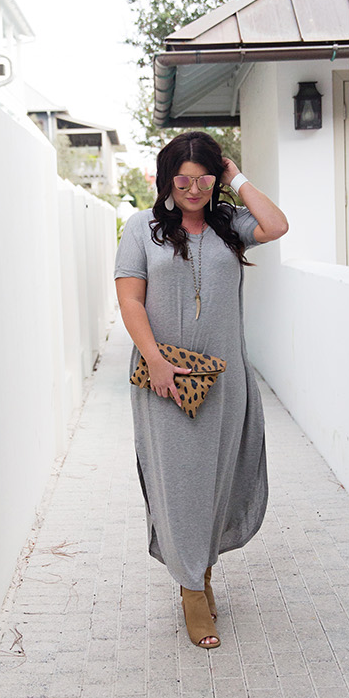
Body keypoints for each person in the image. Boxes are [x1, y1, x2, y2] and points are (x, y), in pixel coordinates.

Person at [114, 131, 288, 648]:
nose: (193, 189)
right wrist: (157, 360)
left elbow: (277, 225)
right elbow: (130, 302)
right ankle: (192, 591)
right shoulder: (141, 229)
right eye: (184, 179)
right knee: (180, 483)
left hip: (225, 378)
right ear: (168, 178)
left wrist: (236, 177)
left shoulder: (230, 225)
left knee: (217, 480)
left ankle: (202, 572)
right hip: (164, 382)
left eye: (204, 178)